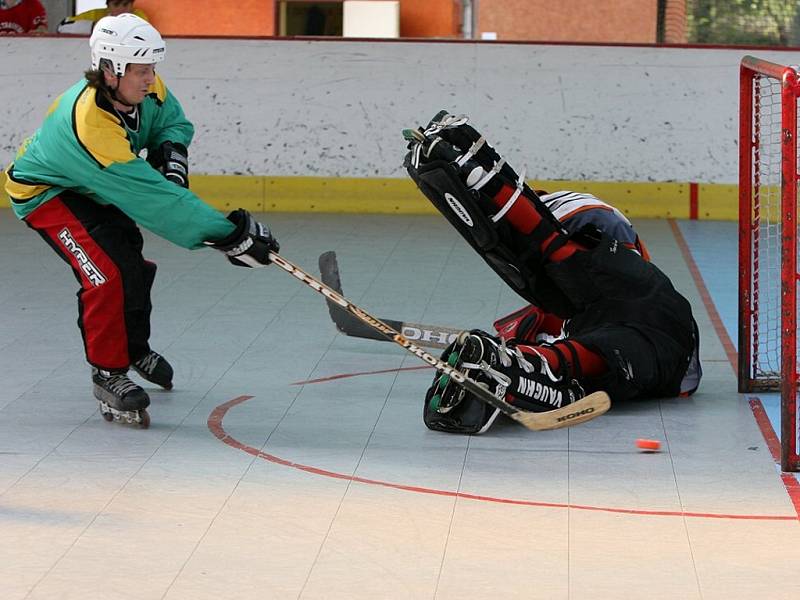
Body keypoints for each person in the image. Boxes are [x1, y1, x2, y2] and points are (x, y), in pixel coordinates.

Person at [4, 14, 279, 427]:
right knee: (106, 274)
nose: (151, 78)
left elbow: (171, 123)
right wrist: (228, 235)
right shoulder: (88, 125)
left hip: (96, 186)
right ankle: (108, 373)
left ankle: (133, 347)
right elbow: (153, 202)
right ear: (110, 70)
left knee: (132, 265)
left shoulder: (146, 87)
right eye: (141, 70)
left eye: (153, 67)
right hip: (48, 193)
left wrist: (171, 158)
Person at [403, 111, 701, 434]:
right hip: (651, 342)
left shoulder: (623, 285)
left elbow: (547, 242)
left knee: (547, 253)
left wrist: (510, 360)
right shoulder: (595, 292)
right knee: (544, 256)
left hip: (659, 343)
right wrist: (510, 355)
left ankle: (528, 363)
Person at [58, 0, 147, 35]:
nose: (121, 9)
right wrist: (95, 26)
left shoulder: (138, 16)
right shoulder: (95, 14)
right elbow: (62, 27)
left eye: (126, 4)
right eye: (116, 4)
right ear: (108, 6)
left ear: (132, 5)